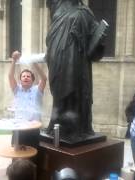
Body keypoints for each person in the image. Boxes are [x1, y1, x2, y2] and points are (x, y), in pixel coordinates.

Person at [45, 0, 105, 140]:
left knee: (75, 91)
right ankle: (57, 125)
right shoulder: (57, 5)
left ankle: (74, 128)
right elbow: (52, 31)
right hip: (57, 57)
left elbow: (94, 34)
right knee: (59, 92)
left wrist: (99, 39)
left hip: (77, 60)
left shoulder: (85, 12)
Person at [9, 51, 47, 148]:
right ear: (20, 80)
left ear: (32, 80)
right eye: (23, 76)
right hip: (19, 129)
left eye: (28, 76)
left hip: (33, 129)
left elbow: (44, 78)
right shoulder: (17, 90)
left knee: (33, 155)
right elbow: (10, 76)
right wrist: (14, 60)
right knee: (17, 155)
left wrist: (33, 62)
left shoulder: (37, 91)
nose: (26, 78)